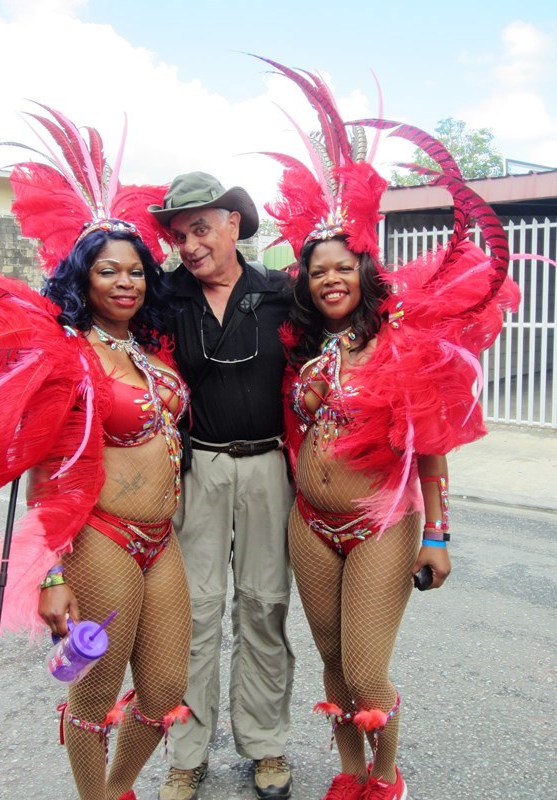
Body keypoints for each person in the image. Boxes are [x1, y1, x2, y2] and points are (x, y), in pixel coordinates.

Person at [257, 58, 520, 800]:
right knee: (333, 660)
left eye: (342, 268)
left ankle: (386, 778)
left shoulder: (403, 341)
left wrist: (438, 534)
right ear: (304, 283)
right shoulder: (302, 347)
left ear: (365, 273)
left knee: (369, 669)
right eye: (316, 272)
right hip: (310, 521)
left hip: (382, 521)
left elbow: (430, 447)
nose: (329, 279)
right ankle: (346, 773)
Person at [0, 106, 192, 800]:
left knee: (165, 691)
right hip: (100, 537)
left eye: (135, 271)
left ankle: (119, 788)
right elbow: (43, 466)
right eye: (108, 272)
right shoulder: (66, 356)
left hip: (163, 538)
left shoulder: (149, 352)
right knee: (94, 696)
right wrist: (52, 572)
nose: (125, 283)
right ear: (83, 280)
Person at [148, 172, 295, 800]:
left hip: (270, 468)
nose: (189, 244)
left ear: (234, 223)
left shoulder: (283, 292)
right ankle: (187, 754)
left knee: (264, 608)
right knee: (196, 614)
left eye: (201, 228)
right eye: (180, 234)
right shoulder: (164, 299)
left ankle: (265, 745)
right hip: (198, 470)